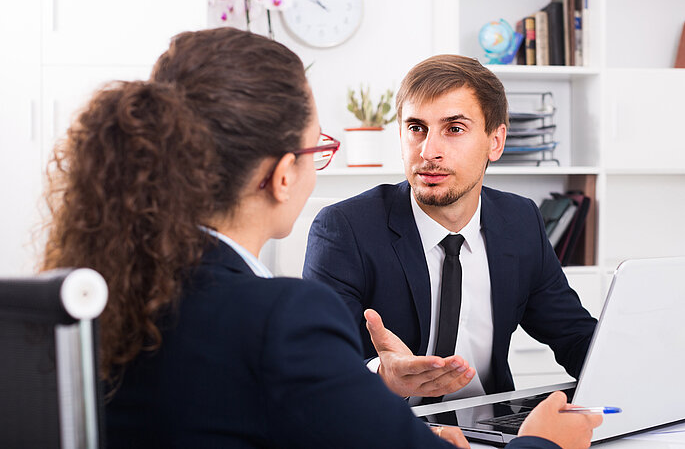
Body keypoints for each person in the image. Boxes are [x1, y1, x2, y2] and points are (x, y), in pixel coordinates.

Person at [40, 29, 600, 448]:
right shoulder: (282, 313)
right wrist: (543, 444)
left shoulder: (113, 287)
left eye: (453, 129)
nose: (430, 150)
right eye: (317, 149)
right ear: (284, 175)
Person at [303, 54, 598, 404]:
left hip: (491, 430)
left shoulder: (520, 221)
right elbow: (316, 365)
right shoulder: (345, 230)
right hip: (391, 429)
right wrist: (383, 377)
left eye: (454, 129)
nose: (429, 151)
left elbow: (576, 336)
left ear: (496, 141)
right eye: (416, 128)